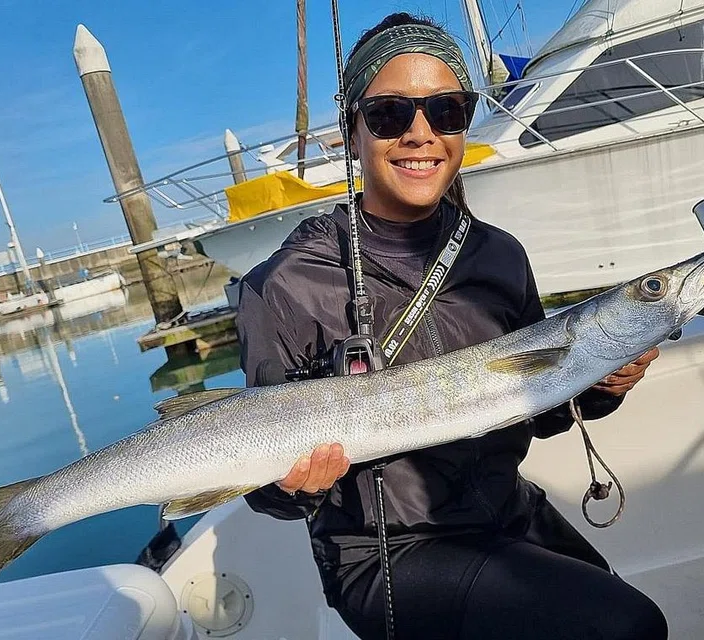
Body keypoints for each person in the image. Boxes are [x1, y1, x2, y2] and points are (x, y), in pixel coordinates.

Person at [234, 12, 667, 640]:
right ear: (351, 128)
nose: (420, 134)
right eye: (388, 114)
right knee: (624, 626)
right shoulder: (285, 285)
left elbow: (538, 413)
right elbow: (265, 492)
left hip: (508, 512)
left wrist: (603, 385)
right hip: (385, 551)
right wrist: (295, 487)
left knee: (610, 609)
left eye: (446, 111)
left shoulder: (498, 255)